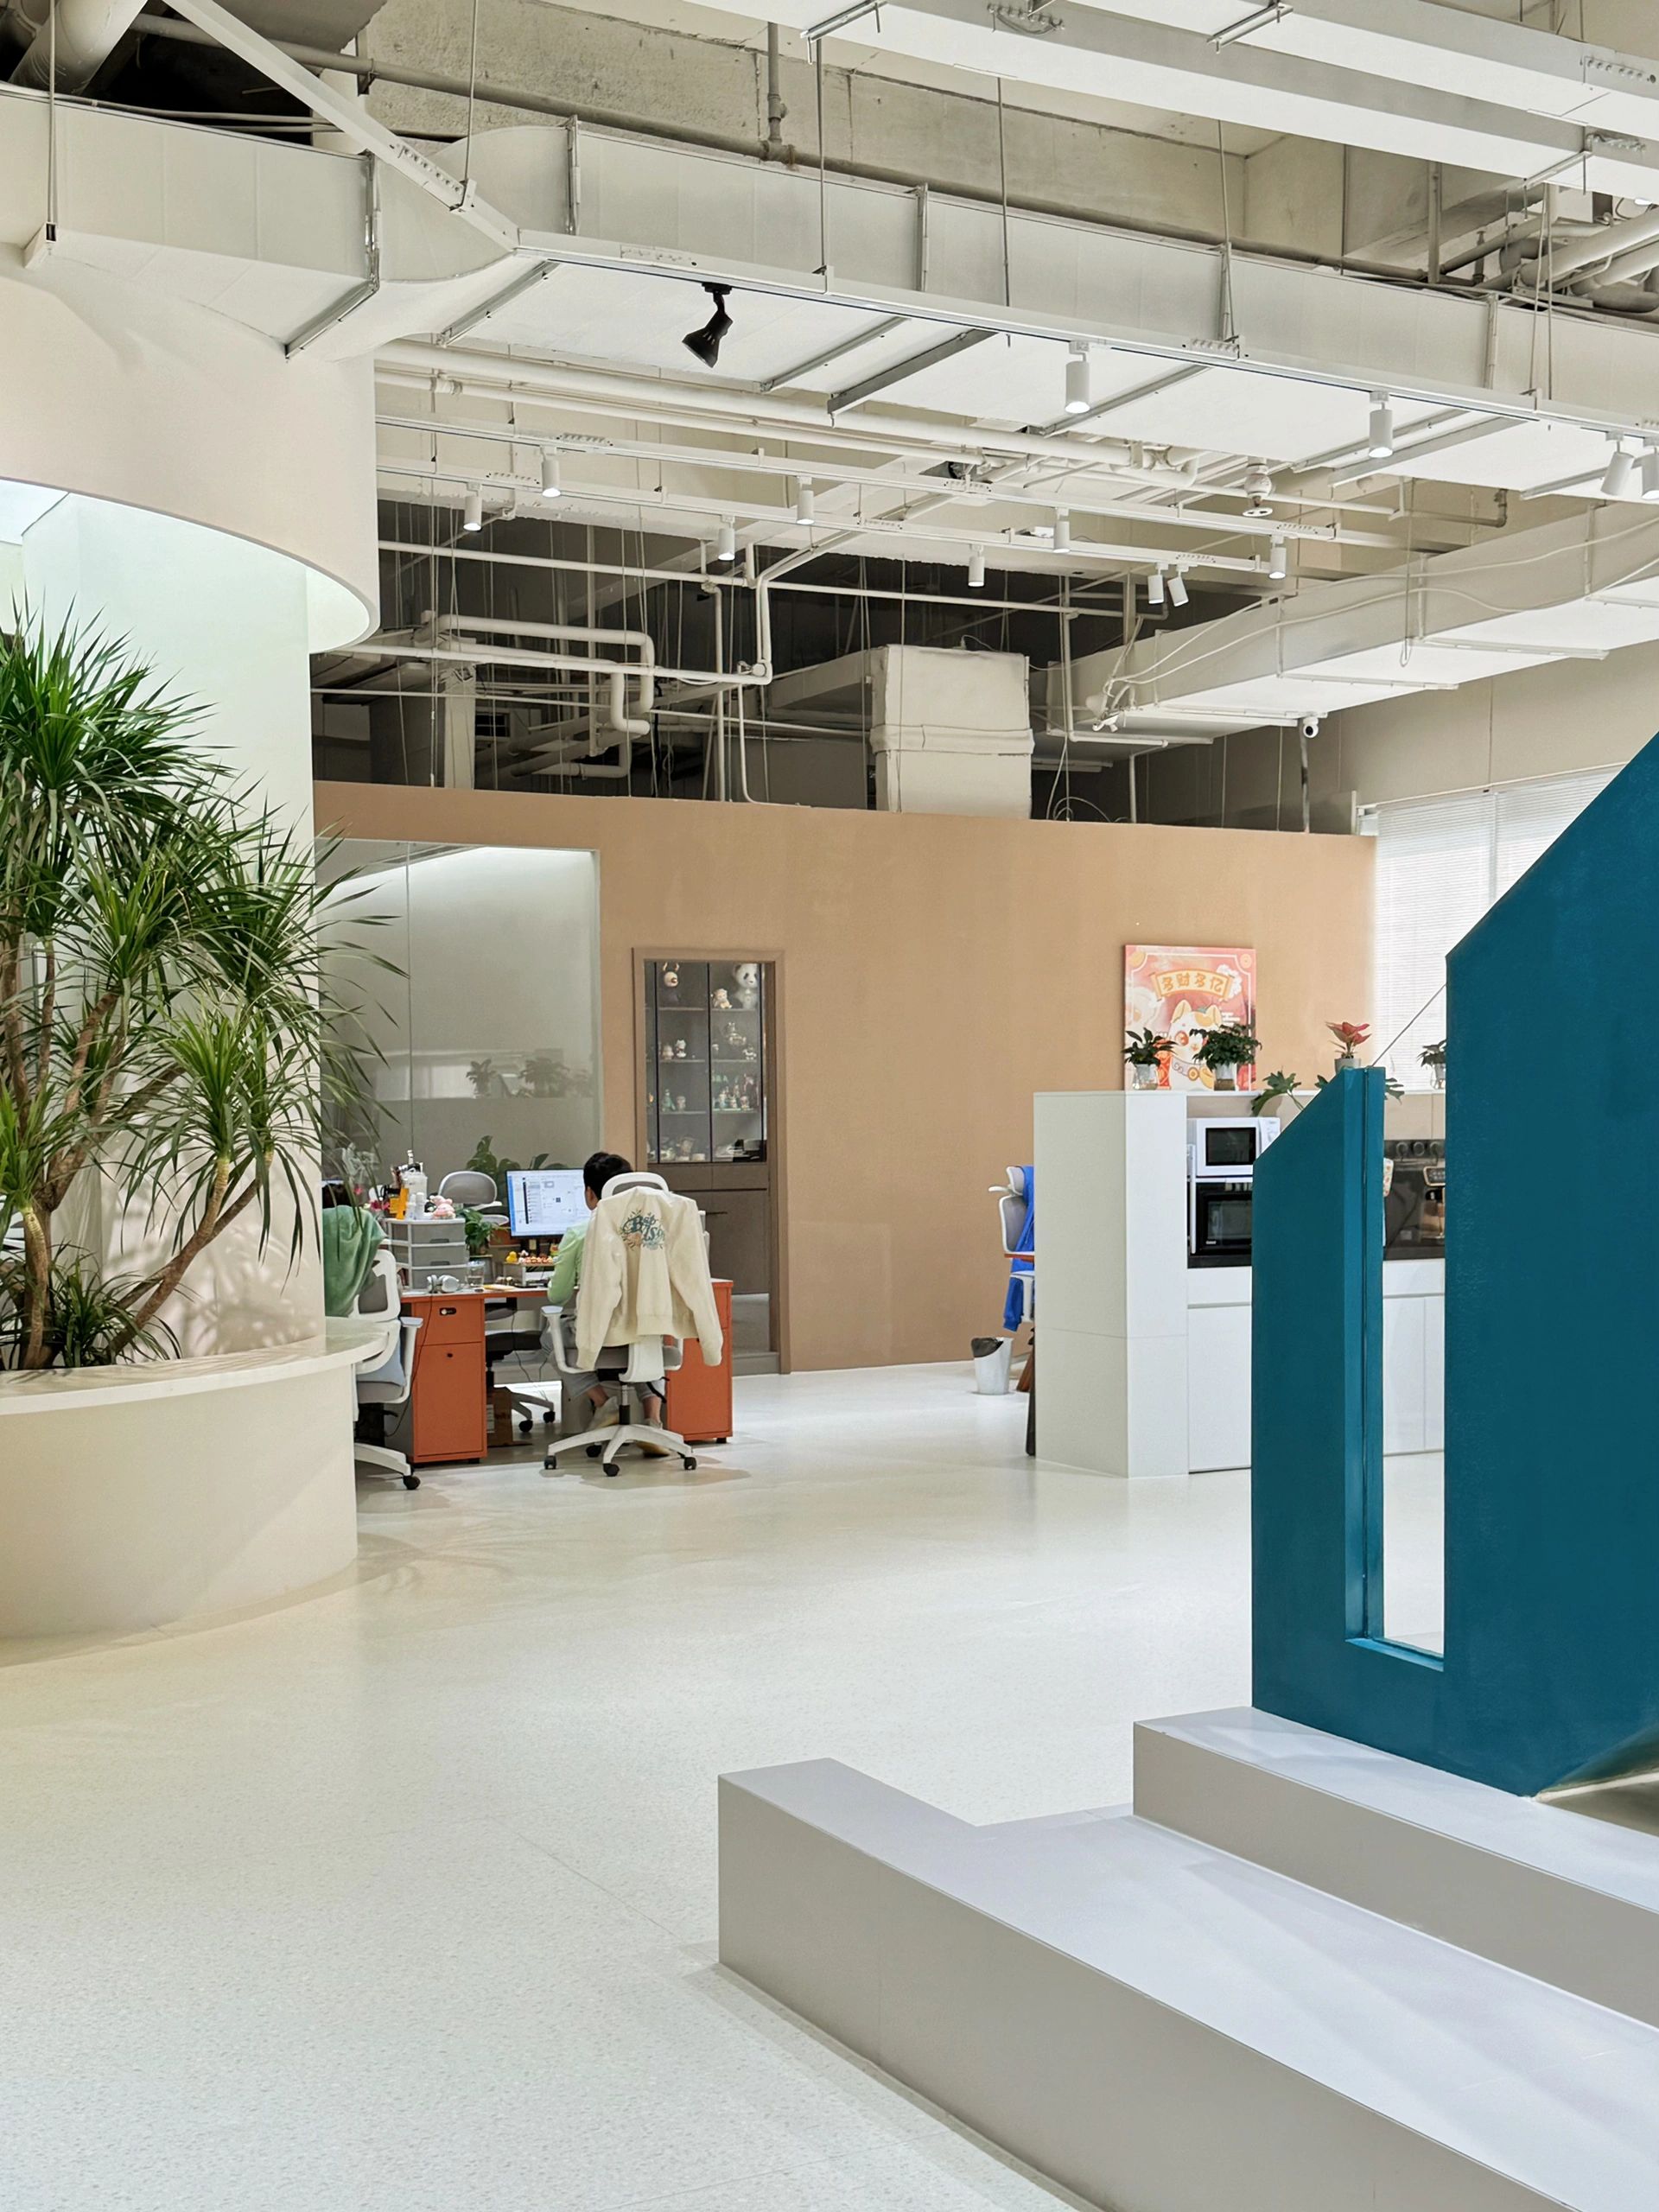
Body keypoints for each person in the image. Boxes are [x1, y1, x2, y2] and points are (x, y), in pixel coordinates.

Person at [545, 1150, 665, 1431]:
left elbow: (558, 1296)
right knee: (646, 1337)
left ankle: (603, 1404)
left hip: (600, 1334)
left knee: (549, 1337)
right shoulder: (653, 1231)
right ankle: (653, 1419)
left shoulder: (579, 1233)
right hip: (647, 1328)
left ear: (589, 1194)